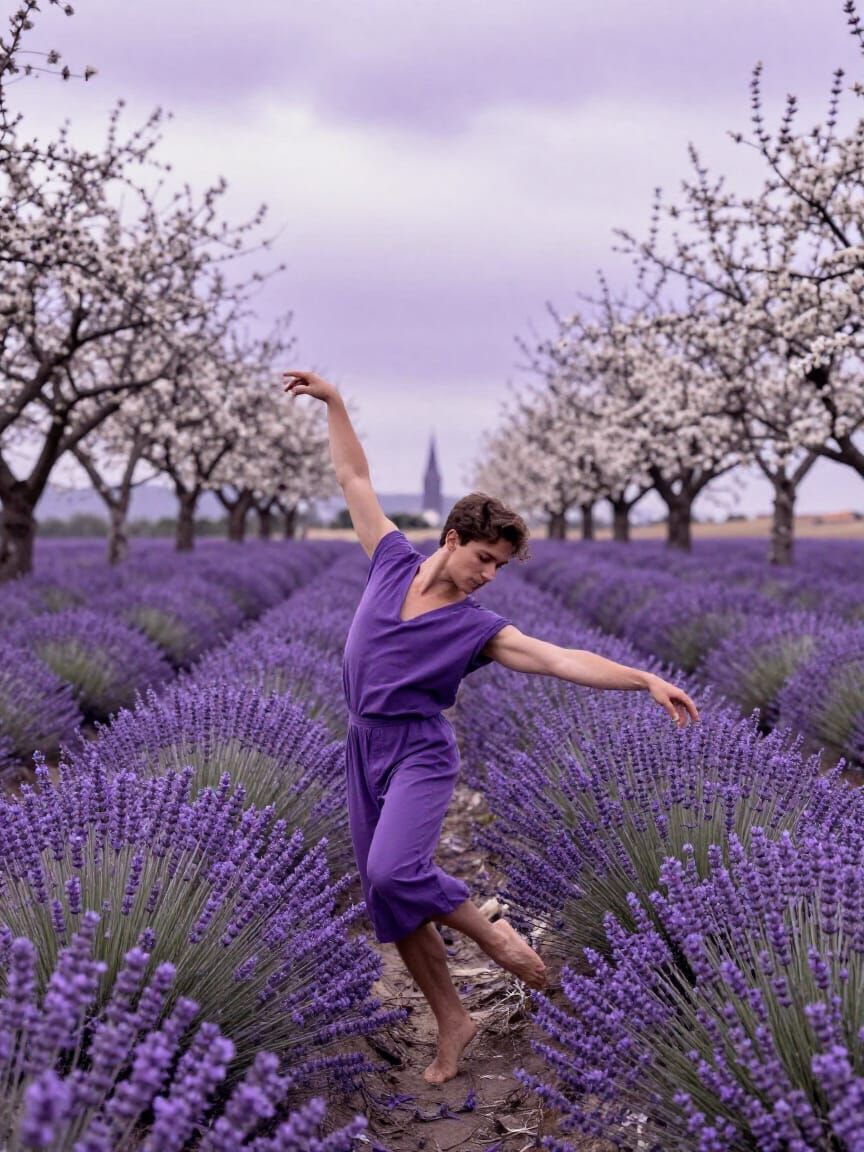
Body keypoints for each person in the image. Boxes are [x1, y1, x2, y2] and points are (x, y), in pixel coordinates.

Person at [282, 369, 700, 1085]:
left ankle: (498, 941)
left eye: (500, 567)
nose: (489, 576)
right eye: (484, 559)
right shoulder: (389, 563)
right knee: (391, 896)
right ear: (451, 539)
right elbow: (354, 476)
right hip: (362, 747)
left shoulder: (479, 628)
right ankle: (452, 1018)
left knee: (393, 870)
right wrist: (337, 403)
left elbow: (560, 658)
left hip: (418, 751)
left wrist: (643, 678)